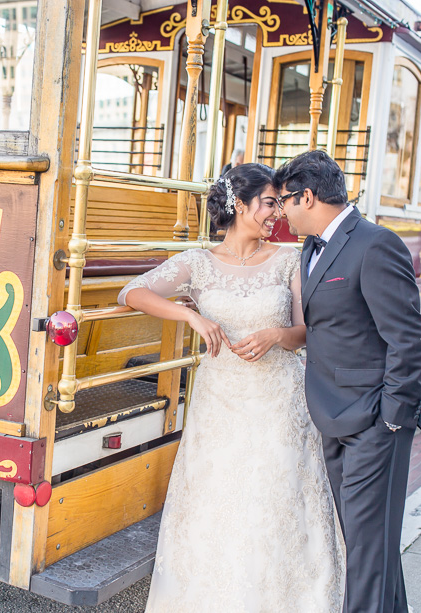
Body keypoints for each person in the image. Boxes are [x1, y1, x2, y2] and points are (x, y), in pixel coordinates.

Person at [119, 163, 344, 612]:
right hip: (220, 406)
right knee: (216, 507)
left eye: (280, 204)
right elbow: (131, 292)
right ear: (239, 205)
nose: (277, 213)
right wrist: (191, 315)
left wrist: (277, 336)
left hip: (279, 403)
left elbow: (306, 331)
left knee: (272, 508)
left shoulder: (288, 260)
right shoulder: (198, 263)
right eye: (268, 203)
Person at [274, 150, 421, 613]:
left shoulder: (375, 244)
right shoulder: (310, 247)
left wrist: (392, 420)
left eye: (284, 200)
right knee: (369, 545)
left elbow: (409, 337)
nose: (281, 211)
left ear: (307, 195)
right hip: (332, 414)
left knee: (366, 550)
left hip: (374, 423)